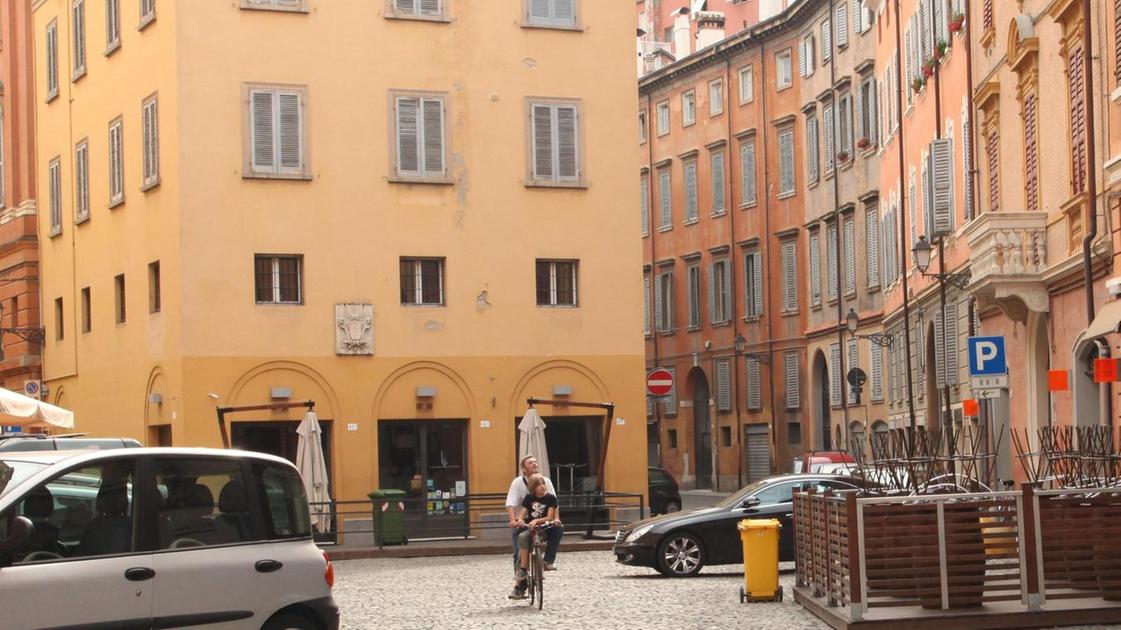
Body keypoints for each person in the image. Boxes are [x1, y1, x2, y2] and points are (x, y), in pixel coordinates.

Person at [505, 455, 564, 575]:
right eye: (530, 463)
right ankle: (520, 582)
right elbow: (511, 503)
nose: (534, 464)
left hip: (543, 522)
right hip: (524, 523)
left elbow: (554, 505)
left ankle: (548, 560)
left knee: (558, 529)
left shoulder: (547, 482)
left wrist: (557, 519)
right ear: (524, 469)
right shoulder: (518, 484)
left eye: (535, 462)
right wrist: (514, 520)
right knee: (518, 552)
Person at [508, 474, 557, 599]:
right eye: (539, 485)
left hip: (543, 528)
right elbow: (522, 513)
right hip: (530, 528)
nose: (542, 486)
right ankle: (523, 569)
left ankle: (546, 562)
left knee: (548, 534)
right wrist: (519, 520)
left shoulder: (551, 498)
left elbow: (551, 516)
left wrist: (536, 521)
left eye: (543, 484)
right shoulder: (529, 498)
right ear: (533, 488)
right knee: (523, 537)